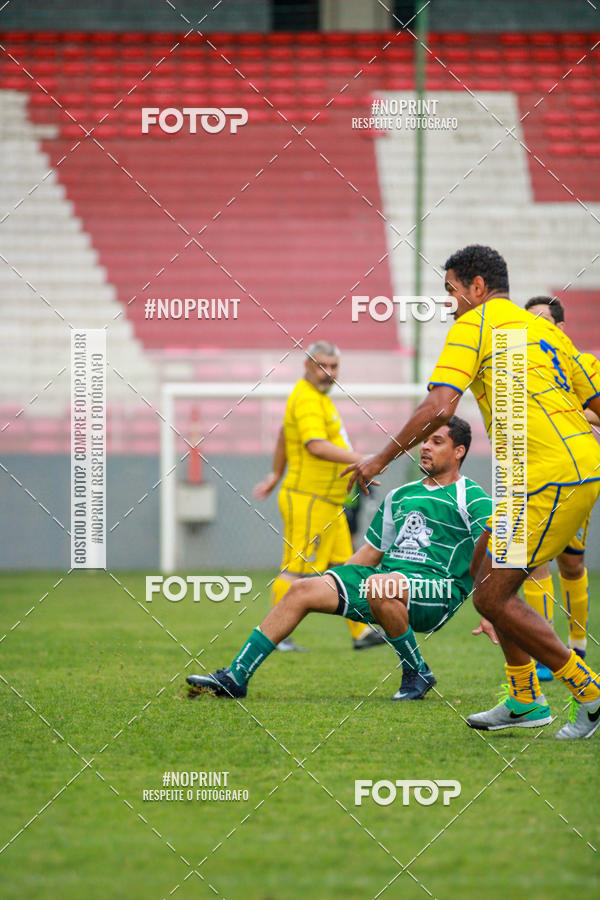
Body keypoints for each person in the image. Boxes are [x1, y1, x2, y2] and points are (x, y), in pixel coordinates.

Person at [344, 245, 600, 738]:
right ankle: (525, 698)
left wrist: (378, 458)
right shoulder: (543, 329)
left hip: (550, 477)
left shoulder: (475, 325)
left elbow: (440, 407)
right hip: (554, 472)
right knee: (482, 565)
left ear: (477, 288)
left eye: (451, 291)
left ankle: (588, 692)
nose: (449, 304)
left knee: (493, 597)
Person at [187, 418, 495, 702]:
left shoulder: (472, 496)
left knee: (379, 585)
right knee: (302, 590)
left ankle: (416, 672)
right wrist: (337, 585)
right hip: (386, 585)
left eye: (437, 441)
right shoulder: (399, 496)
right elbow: (369, 554)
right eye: (424, 440)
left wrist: (492, 607)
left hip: (438, 593)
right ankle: (235, 676)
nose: (425, 446)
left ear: (459, 451)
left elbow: (500, 547)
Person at [252, 340, 385, 651]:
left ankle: (361, 633)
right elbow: (313, 445)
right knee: (296, 567)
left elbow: (286, 435)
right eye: (322, 365)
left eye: (334, 366)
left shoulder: (316, 398)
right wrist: (361, 458)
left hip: (329, 503)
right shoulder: (308, 399)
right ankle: (277, 636)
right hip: (308, 499)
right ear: (307, 366)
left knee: (347, 565)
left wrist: (274, 473)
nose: (329, 372)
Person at [521, 296, 600, 681]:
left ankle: (578, 644)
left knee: (571, 563)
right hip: (533, 471)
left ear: (561, 328)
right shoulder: (519, 366)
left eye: (543, 321)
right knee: (534, 561)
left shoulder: (585, 365)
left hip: (574, 472)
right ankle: (544, 651)